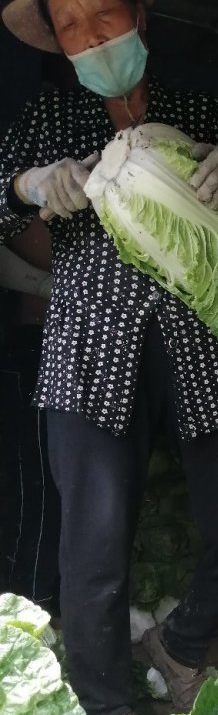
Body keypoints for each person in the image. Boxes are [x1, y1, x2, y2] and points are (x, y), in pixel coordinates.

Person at [0, 0, 218, 715]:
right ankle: (105, 712)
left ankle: (182, 646)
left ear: (140, 18)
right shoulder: (52, 120)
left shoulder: (196, 106)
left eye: (103, 14)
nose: (91, 35)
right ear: (56, 45)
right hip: (90, 345)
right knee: (94, 543)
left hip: (204, 339)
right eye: (69, 27)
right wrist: (31, 185)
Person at [0, 234, 61, 611]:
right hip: (29, 340)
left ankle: (35, 603)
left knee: (44, 483)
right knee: (37, 484)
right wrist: (45, 285)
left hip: (47, 339)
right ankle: (31, 605)